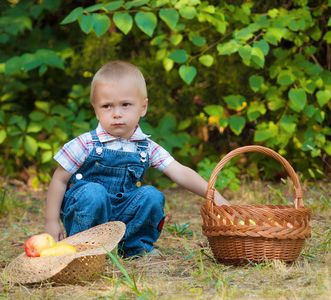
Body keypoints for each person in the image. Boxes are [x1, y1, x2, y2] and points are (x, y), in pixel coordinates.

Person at [44, 60, 230, 257]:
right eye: (107, 106)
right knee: (93, 193)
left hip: (123, 213)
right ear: (96, 110)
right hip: (89, 213)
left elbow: (180, 172)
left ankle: (133, 248)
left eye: (125, 105)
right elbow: (59, 179)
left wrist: (218, 200)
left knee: (151, 195)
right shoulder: (85, 144)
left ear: (143, 107)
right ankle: (86, 249)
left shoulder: (146, 147)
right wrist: (51, 221)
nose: (117, 114)